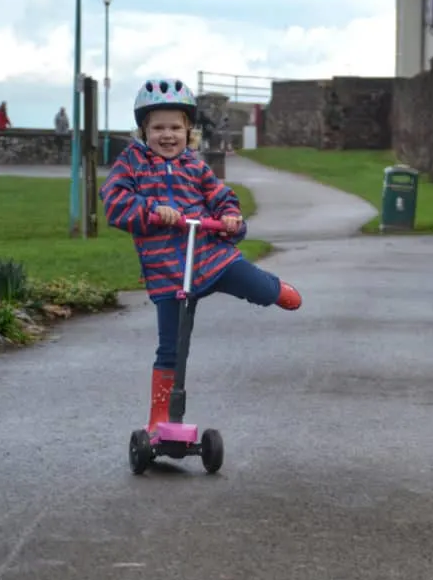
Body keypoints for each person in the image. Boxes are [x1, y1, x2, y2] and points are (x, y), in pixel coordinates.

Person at [99, 77, 303, 435]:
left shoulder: (195, 166)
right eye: (158, 128)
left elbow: (222, 197)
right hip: (167, 272)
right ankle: (160, 418)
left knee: (254, 285)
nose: (167, 135)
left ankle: (273, 289)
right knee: (171, 349)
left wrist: (231, 218)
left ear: (188, 131)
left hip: (211, 257)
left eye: (175, 127)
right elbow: (115, 201)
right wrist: (151, 210)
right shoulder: (131, 163)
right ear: (143, 131)